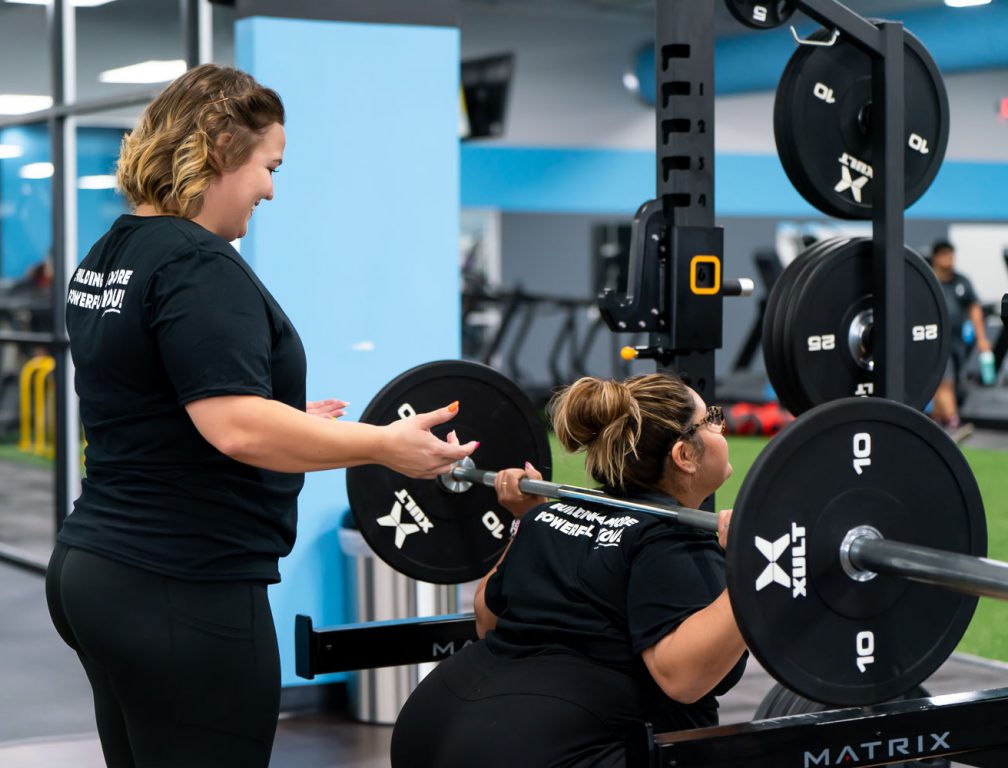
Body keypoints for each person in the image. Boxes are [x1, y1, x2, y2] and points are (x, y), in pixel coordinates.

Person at [44, 63, 477, 768]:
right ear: (219, 148)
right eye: (268, 166)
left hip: (97, 570)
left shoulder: (113, 252)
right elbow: (237, 428)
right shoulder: (197, 262)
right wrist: (382, 446)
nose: (271, 188)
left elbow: (155, 399)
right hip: (182, 583)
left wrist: (293, 417)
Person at [391, 373, 748, 768]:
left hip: (429, 730)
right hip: (536, 750)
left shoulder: (547, 516)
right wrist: (752, 567)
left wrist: (522, 521)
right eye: (711, 419)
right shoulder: (673, 540)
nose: (722, 426)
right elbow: (682, 679)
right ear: (684, 455)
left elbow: (487, 620)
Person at [929, 239, 992, 433]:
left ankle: (937, 422)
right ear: (936, 257)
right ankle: (953, 422)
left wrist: (982, 338)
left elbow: (974, 308)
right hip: (934, 339)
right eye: (945, 255)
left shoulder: (961, 282)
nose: (950, 259)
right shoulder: (928, 280)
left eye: (952, 254)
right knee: (944, 380)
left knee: (950, 382)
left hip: (957, 341)